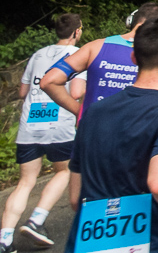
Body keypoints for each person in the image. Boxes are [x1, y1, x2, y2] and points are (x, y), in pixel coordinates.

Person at [64, 17, 158, 253]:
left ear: (134, 57)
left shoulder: (93, 111)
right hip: (144, 241)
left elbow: (76, 199)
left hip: (84, 240)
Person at [2, 14, 85, 253]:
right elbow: (77, 91)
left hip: (30, 122)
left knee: (25, 181)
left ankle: (4, 239)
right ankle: (36, 221)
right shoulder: (77, 55)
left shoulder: (38, 54)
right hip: (59, 122)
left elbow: (22, 92)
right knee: (64, 170)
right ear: (76, 32)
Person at [40, 2, 158, 121]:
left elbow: (49, 81)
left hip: (91, 137)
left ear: (131, 21)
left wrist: (80, 112)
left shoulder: (95, 47)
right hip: (137, 138)